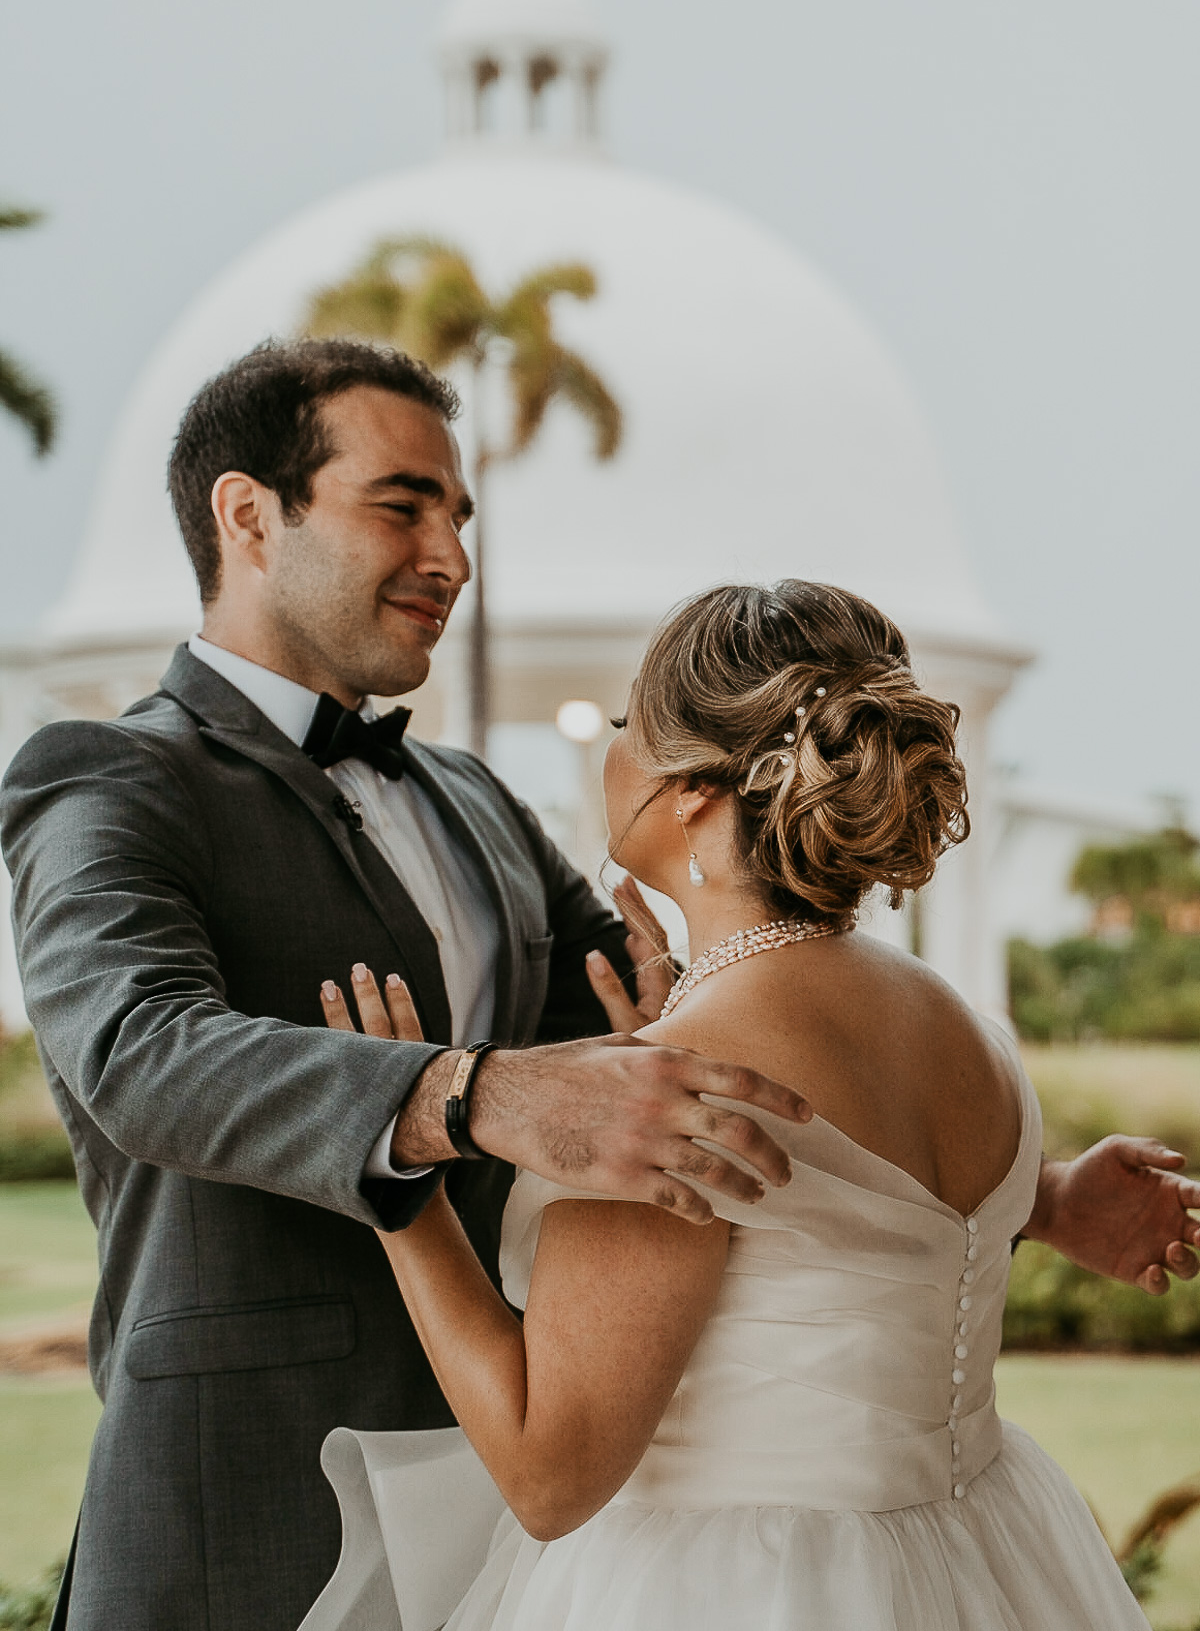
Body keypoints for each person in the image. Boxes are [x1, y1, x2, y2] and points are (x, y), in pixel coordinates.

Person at [1, 342, 1192, 1630]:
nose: (451, 555)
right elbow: (136, 1051)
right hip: (254, 1505)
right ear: (249, 516)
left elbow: (714, 1094)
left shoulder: (469, 801)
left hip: (553, 1512)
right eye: (402, 505)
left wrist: (1026, 1196)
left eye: (459, 514)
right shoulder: (105, 776)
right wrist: (469, 1098)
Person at [327, 579, 1190, 1630]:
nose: (609, 752)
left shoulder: (660, 1090)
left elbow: (549, 1478)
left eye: (621, 727)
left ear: (690, 789)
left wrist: (401, 1157)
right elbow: (873, 1234)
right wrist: (1044, 1198)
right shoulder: (968, 1032)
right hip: (980, 1560)